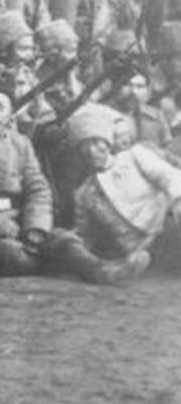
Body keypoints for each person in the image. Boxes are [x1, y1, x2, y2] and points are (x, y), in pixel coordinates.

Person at [0, 85, 130, 283]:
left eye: (1, 107)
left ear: (11, 112)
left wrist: (35, 227)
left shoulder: (21, 143)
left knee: (64, 240)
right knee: (10, 253)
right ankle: (63, 265)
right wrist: (0, 225)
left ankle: (100, 270)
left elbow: (38, 189)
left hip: (19, 222)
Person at [68, 104, 180, 276]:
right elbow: (85, 235)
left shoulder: (135, 157)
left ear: (107, 141)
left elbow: (169, 177)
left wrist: (178, 201)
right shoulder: (85, 194)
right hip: (139, 250)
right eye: (84, 146)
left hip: (169, 228)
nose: (92, 151)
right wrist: (71, 247)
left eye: (97, 142)